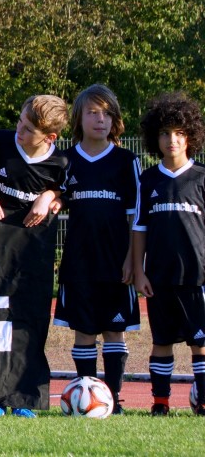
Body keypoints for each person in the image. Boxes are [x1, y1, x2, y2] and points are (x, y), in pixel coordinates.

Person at [0, 94, 70, 417]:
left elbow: (67, 193)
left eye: (27, 129)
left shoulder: (62, 163)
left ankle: (24, 397)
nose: (18, 131)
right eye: (20, 122)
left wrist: (51, 195)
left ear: (50, 138)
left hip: (29, 259)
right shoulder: (1, 141)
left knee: (26, 324)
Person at [54, 85, 140, 414]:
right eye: (92, 112)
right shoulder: (65, 159)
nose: (99, 119)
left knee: (115, 332)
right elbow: (54, 196)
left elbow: (136, 219)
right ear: (79, 118)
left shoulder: (125, 161)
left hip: (116, 264)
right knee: (84, 332)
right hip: (79, 263)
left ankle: (113, 399)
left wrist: (133, 260)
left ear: (115, 119)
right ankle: (85, 394)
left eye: (106, 113)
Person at [131, 92, 205, 417]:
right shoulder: (148, 180)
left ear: (190, 136)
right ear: (154, 138)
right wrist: (138, 270)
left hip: (197, 278)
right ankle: (160, 403)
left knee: (200, 344)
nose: (171, 139)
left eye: (178, 132)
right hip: (158, 277)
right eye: (164, 132)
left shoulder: (201, 177)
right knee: (161, 341)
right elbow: (139, 228)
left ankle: (202, 401)